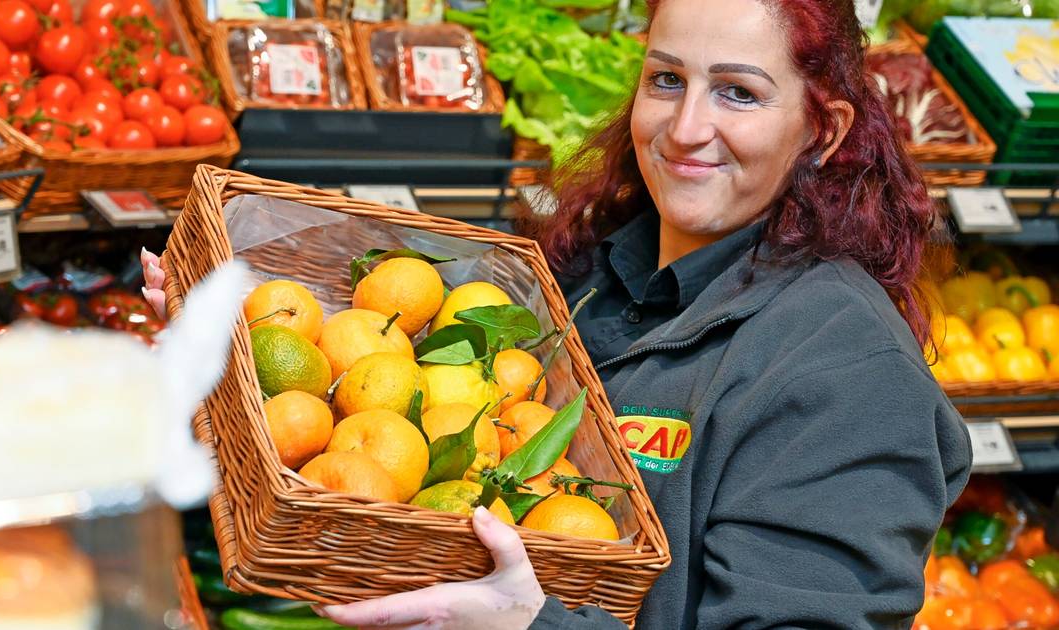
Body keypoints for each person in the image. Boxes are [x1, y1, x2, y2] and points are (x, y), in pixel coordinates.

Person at [143, 0, 973, 626]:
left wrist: (530, 623)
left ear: (822, 129)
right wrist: (240, 383)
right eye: (667, 80)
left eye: (740, 94)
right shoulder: (585, 274)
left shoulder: (850, 378)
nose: (687, 127)